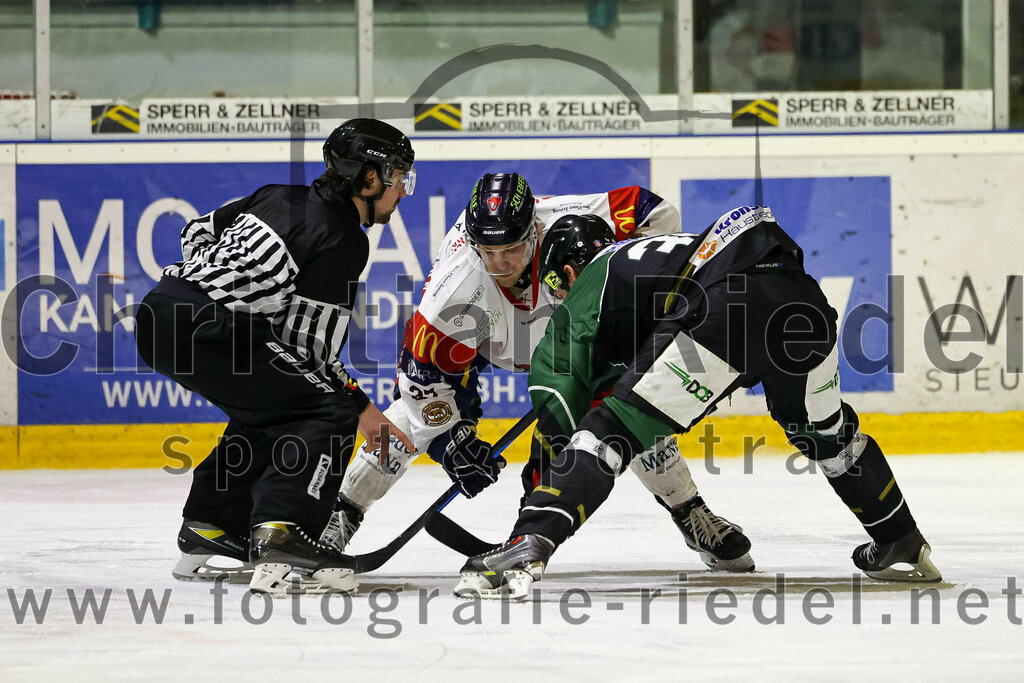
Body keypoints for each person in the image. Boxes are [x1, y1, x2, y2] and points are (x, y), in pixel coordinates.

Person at [455, 204, 942, 599]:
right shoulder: (650, 262)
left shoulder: (596, 274)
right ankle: (899, 538)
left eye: (558, 286)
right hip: (802, 300)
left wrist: (549, 473)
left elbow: (552, 384)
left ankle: (530, 543)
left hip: (729, 307)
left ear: (568, 269)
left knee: (607, 434)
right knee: (828, 436)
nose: (560, 297)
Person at [327, 174, 755, 573]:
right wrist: (451, 444)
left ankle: (689, 511)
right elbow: (422, 381)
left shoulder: (565, 218)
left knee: (620, 409)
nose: (499, 264)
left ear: (533, 228)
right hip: (485, 334)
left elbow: (657, 213)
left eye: (511, 248)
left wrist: (636, 300)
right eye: (488, 251)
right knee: (408, 419)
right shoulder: (456, 291)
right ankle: (340, 513)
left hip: (564, 329)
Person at [134, 118, 417, 595]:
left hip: (158, 312)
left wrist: (220, 282)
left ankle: (211, 525)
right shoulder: (345, 239)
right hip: (210, 329)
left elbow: (198, 232)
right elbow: (310, 351)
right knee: (324, 408)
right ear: (368, 178)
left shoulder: (275, 195)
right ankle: (285, 532)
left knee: (275, 406)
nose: (403, 191)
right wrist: (360, 408)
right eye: (398, 177)